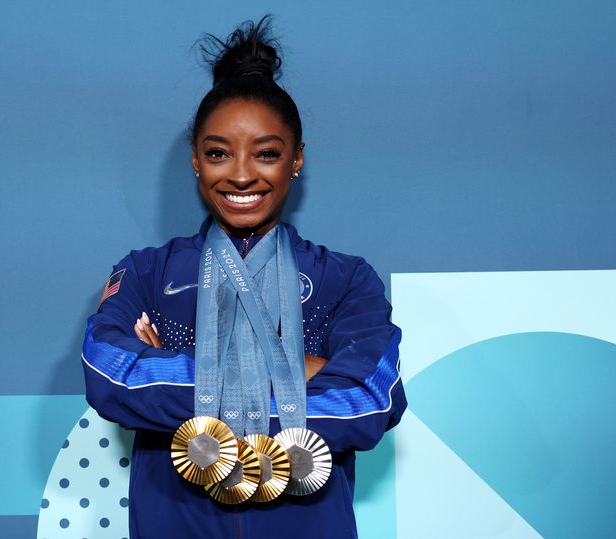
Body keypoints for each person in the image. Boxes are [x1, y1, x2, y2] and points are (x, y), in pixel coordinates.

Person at [82, 17, 406, 539]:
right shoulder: (145, 271)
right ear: (195, 160)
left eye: (266, 153)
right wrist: (303, 368)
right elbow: (109, 374)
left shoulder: (345, 279)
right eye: (217, 153)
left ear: (295, 160)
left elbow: (371, 400)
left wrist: (174, 367)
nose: (239, 174)